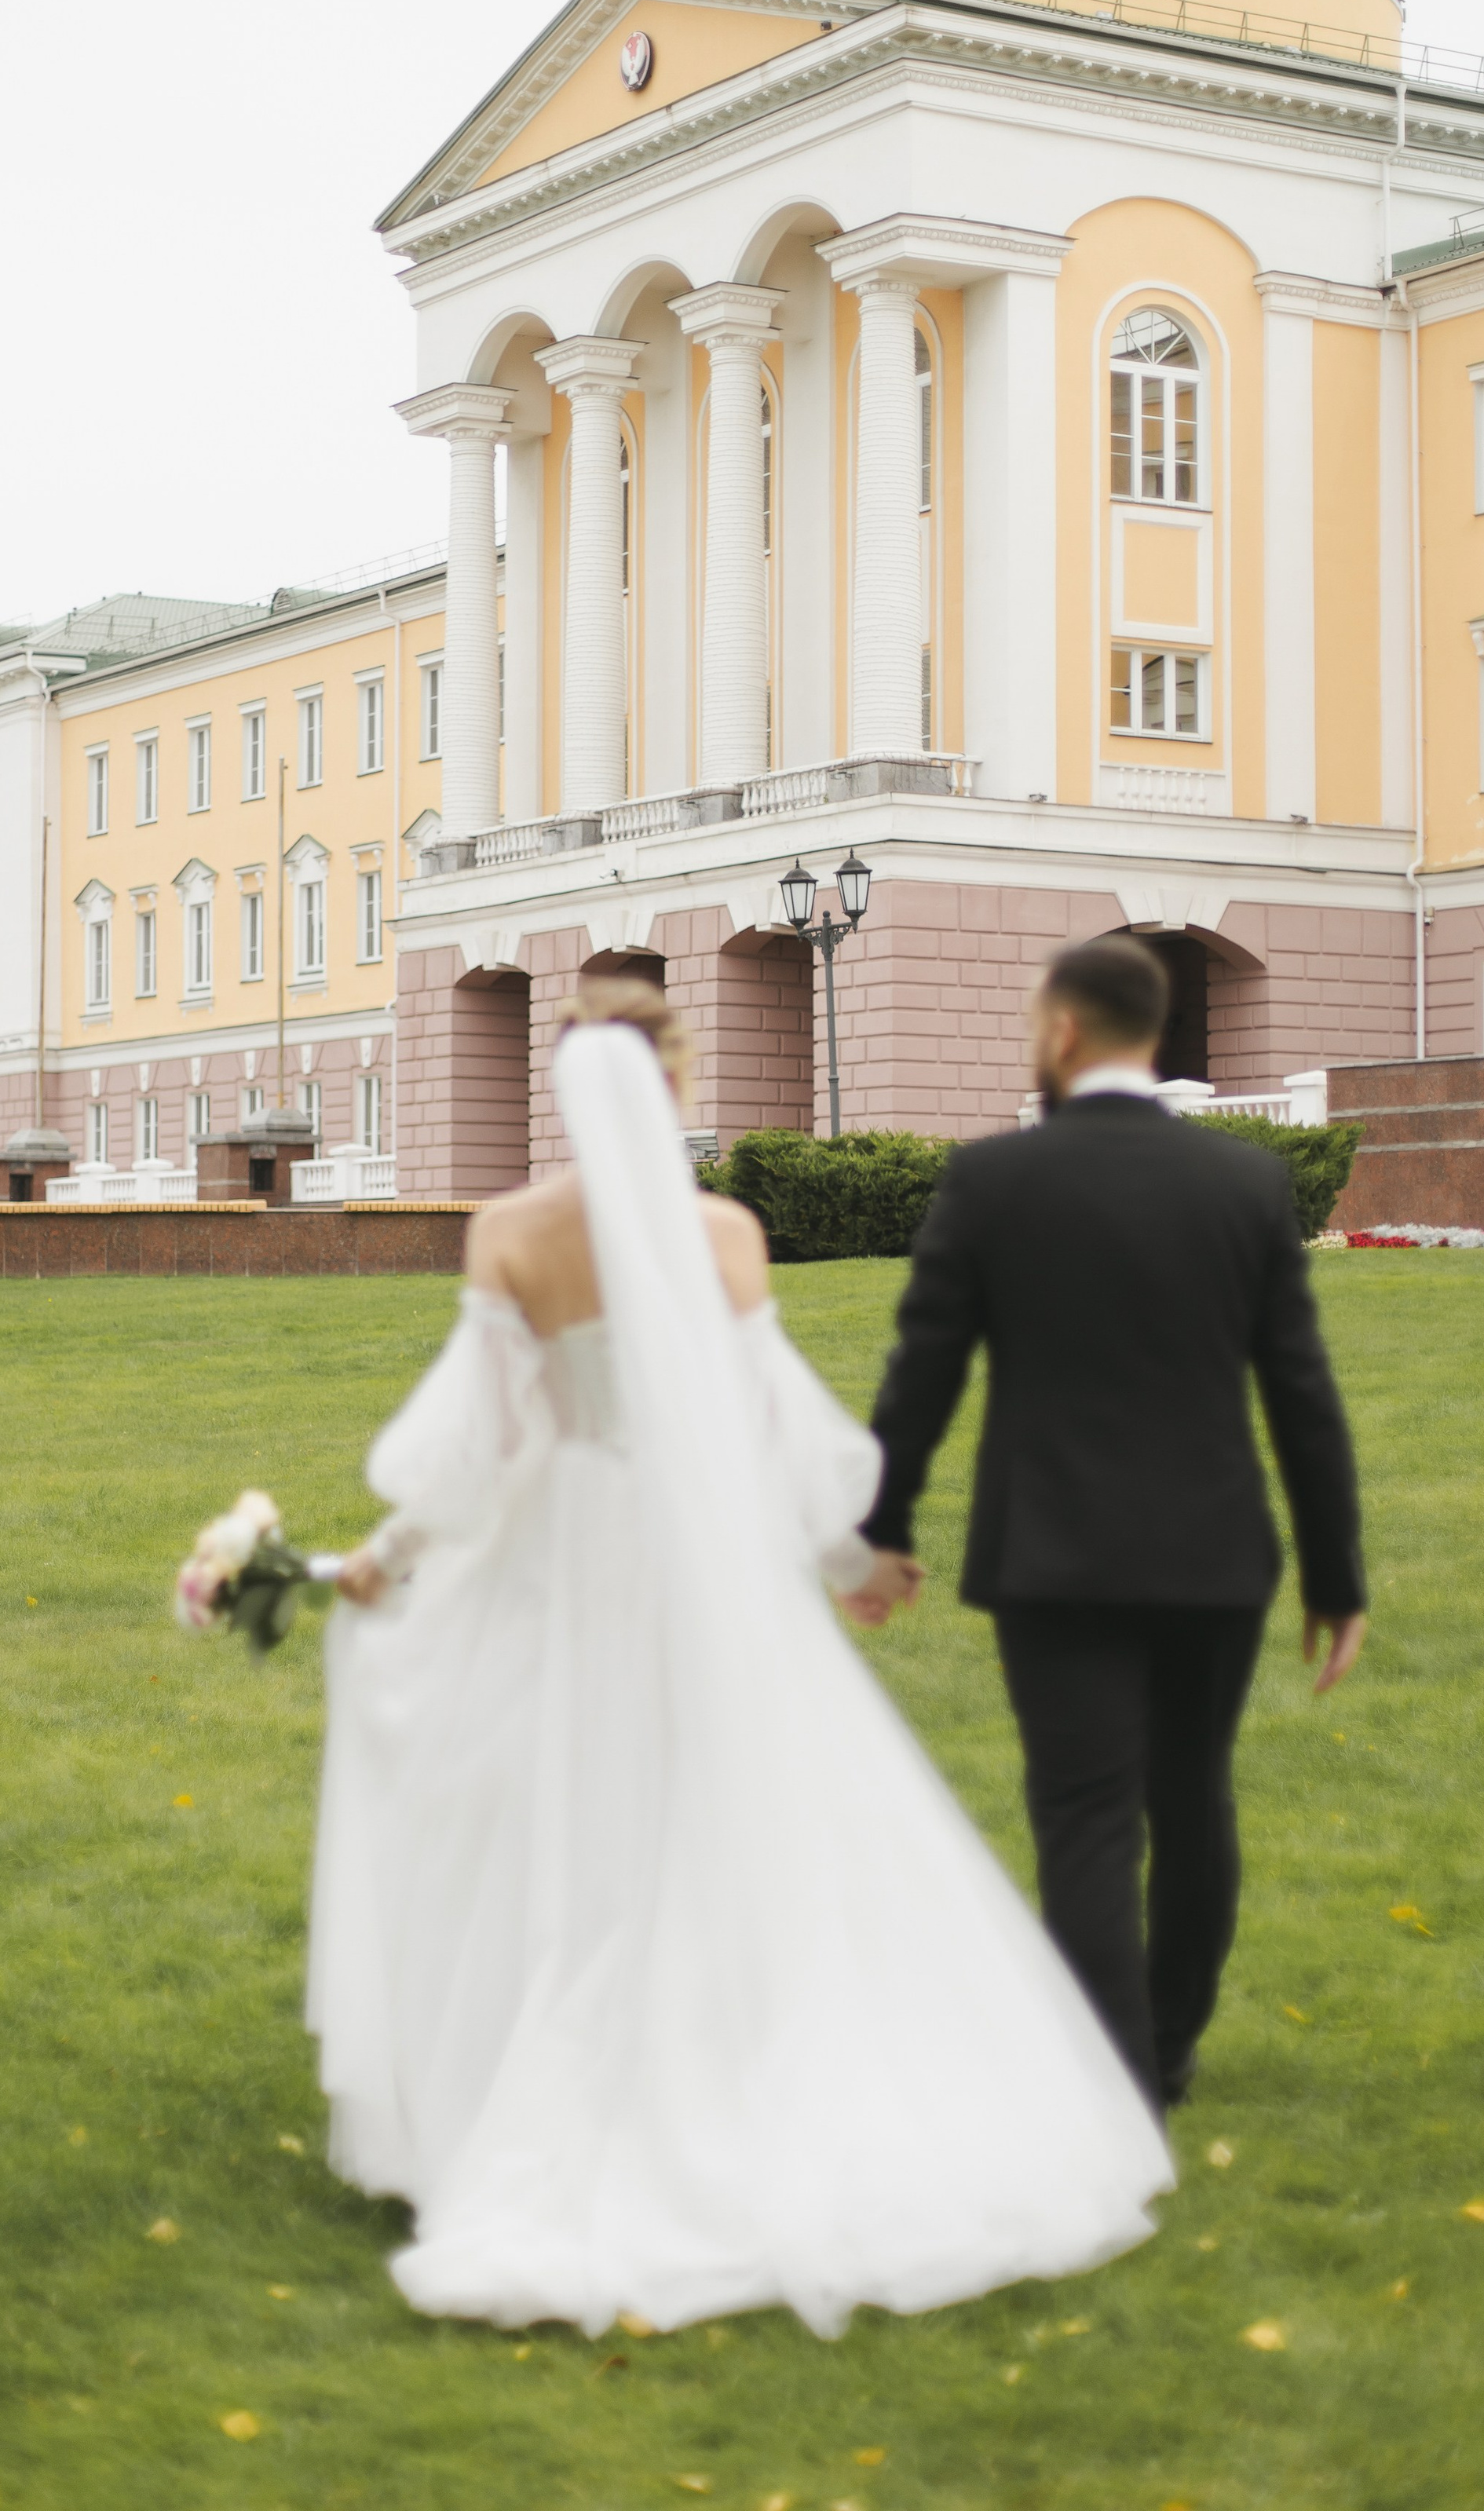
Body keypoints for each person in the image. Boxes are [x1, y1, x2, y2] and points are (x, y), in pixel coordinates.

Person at [305, 980, 1172, 2341]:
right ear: (675, 1082)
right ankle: (737, 2064)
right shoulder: (723, 1233)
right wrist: (847, 1559)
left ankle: (531, 2097)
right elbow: (768, 1426)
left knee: (551, 1812)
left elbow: (485, 1444)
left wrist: (387, 1551)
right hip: (702, 1558)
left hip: (560, 1556)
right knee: (727, 1799)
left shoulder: (510, 1232)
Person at [864, 934, 1368, 2114]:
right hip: (1213, 1550)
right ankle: (1168, 2047)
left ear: (1064, 1031)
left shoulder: (992, 1181)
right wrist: (1335, 1575)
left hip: (1053, 1552)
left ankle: (1113, 2078)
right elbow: (1301, 1390)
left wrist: (881, 1527)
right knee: (1194, 1798)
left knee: (1086, 1815)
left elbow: (923, 1373)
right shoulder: (1244, 1184)